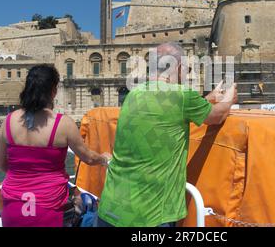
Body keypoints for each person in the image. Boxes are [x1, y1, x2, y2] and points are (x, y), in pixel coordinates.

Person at [97, 42, 237, 227]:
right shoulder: (182, 95)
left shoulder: (134, 94)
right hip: (149, 216)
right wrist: (229, 98)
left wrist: (206, 100)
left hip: (111, 207)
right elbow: (217, 116)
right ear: (176, 67)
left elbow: (167, 113)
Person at [0, 64, 111, 227]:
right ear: (54, 91)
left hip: (13, 207)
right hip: (48, 208)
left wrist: (23, 176)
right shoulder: (63, 124)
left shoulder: (9, 120)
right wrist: (104, 158)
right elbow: (88, 158)